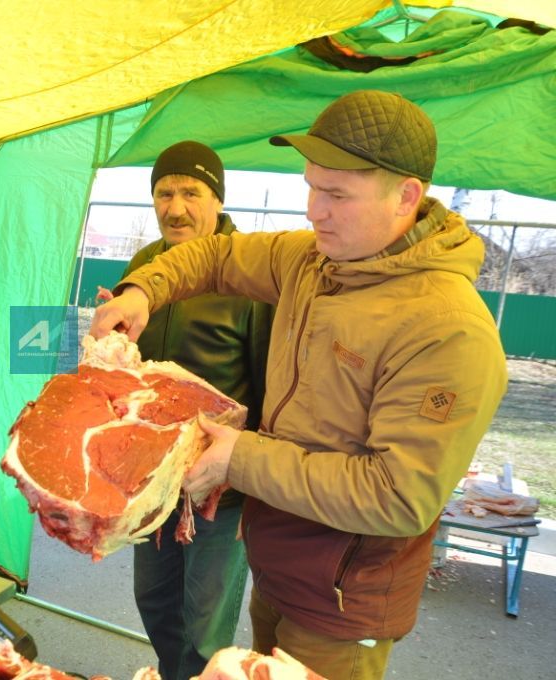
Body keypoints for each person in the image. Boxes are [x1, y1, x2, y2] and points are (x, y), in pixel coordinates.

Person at [91, 91, 507, 679]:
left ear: (406, 197)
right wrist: (143, 291)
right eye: (312, 187)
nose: (315, 211)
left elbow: (399, 495)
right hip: (279, 570)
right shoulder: (312, 260)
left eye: (336, 195)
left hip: (343, 604)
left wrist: (242, 458)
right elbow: (213, 257)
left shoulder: (447, 329)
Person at [126, 141, 272, 680]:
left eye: (191, 192)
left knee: (206, 625)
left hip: (220, 489)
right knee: (155, 602)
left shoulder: (250, 276)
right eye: (164, 192)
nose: (175, 206)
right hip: (154, 480)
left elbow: (272, 387)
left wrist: (251, 482)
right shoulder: (145, 265)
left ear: (217, 199)